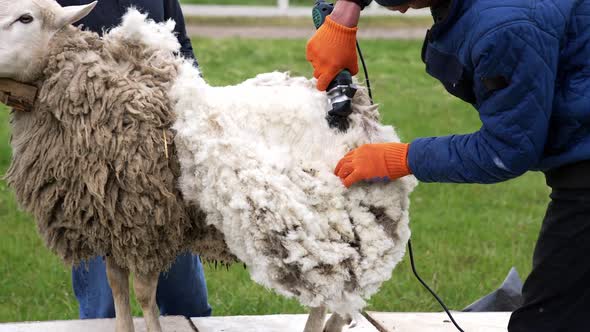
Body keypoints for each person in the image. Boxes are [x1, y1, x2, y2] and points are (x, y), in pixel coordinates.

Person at [306, 0, 590, 331]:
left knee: (549, 323)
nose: (395, 10)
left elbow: (507, 150)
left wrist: (402, 157)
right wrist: (345, 12)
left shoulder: (504, 29)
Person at [56, 0, 211, 319]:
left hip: (160, 160)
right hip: (92, 166)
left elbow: (180, 45)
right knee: (108, 305)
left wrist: (198, 102)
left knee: (186, 301)